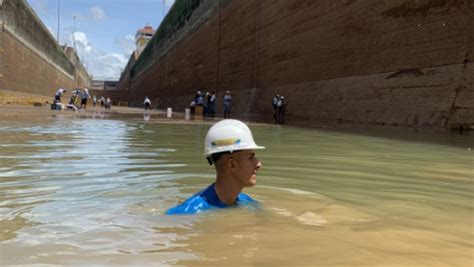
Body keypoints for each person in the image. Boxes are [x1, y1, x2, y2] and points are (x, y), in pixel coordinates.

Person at [166, 119, 265, 215]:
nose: (258, 164)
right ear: (232, 165)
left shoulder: (249, 203)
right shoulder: (187, 212)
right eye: (251, 157)